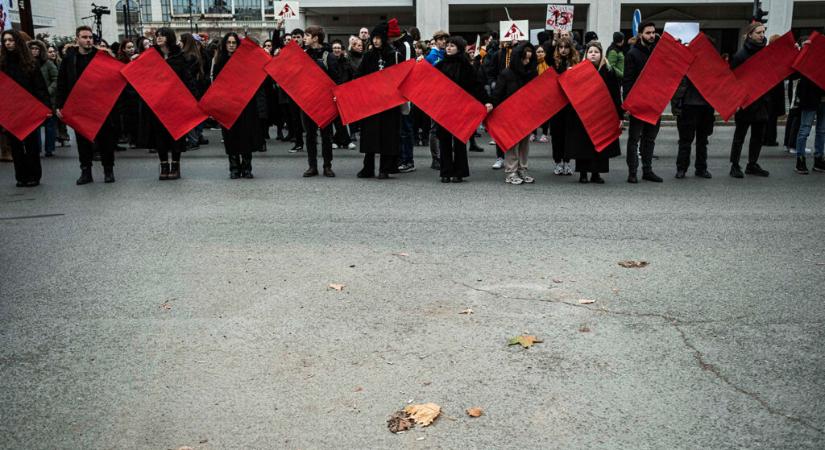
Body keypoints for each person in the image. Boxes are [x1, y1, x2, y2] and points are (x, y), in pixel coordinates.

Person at [56, 25, 118, 184]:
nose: (88, 40)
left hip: (100, 105)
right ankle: (86, 172)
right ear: (77, 39)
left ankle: (108, 171)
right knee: (83, 141)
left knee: (105, 140)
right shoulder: (69, 59)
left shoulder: (101, 57)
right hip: (79, 106)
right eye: (84, 37)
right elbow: (61, 83)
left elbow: (113, 80)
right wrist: (59, 105)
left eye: (90, 37)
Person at [434, 36, 493, 183]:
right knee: (444, 140)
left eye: (452, 46)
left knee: (460, 140)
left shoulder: (467, 66)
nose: (448, 48)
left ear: (459, 48)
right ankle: (445, 172)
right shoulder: (439, 65)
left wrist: (486, 100)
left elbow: (476, 85)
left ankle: (459, 172)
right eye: (447, 45)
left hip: (460, 108)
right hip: (444, 107)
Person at [565, 40, 622, 184]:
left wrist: (619, 115)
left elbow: (615, 95)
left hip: (603, 115)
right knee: (583, 145)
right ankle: (583, 173)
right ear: (586, 54)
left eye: (596, 52)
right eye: (590, 52)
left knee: (601, 144)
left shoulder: (609, 72)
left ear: (601, 54)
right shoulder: (579, 71)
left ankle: (596, 174)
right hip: (584, 115)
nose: (593, 55)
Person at [0, 30, 49, 187]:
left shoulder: (30, 63)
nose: (8, 43)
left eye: (11, 40)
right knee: (15, 146)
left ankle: (34, 175)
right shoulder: (1, 64)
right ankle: (21, 176)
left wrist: (45, 107)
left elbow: (40, 87)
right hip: (11, 111)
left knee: (31, 144)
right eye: (5, 40)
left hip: (29, 109)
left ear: (18, 42)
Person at [212, 33, 263, 179]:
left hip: (245, 104)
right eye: (228, 42)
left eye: (234, 42)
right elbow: (216, 85)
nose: (231, 45)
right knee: (230, 137)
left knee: (246, 135)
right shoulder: (219, 62)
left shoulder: (245, 61)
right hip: (227, 105)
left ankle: (247, 168)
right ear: (224, 44)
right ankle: (234, 168)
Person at [150, 27, 197, 180]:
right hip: (157, 103)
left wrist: (192, 99)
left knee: (176, 135)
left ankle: (175, 165)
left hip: (175, 103)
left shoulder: (180, 57)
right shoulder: (151, 56)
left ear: (169, 37)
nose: (159, 38)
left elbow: (187, 79)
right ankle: (164, 165)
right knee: (160, 136)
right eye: (157, 35)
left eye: (162, 35)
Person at [356, 22, 401, 179]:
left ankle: (385, 169)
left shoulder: (394, 55)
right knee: (369, 136)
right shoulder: (368, 56)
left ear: (383, 38)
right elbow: (359, 76)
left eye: (378, 38)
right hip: (371, 102)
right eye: (373, 38)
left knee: (387, 136)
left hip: (389, 102)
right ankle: (368, 168)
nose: (375, 41)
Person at [728, 22, 770, 178]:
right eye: (758, 32)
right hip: (745, 102)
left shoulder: (766, 53)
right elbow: (733, 78)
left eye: (763, 32)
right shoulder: (741, 55)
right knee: (740, 136)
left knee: (758, 136)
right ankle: (734, 165)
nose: (761, 35)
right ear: (750, 34)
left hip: (762, 101)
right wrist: (736, 102)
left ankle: (752, 164)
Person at [623, 21, 663, 183]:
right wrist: (628, 104)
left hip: (655, 102)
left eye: (653, 32)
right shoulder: (632, 54)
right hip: (638, 104)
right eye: (648, 33)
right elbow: (628, 81)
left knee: (650, 139)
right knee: (634, 139)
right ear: (640, 34)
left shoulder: (658, 52)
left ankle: (647, 170)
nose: (652, 35)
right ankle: (632, 172)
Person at [492, 41, 537, 185]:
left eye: (530, 59)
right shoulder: (506, 73)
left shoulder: (532, 73)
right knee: (512, 142)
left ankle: (522, 169)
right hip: (510, 113)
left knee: (524, 143)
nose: (527, 61)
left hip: (526, 112)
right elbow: (498, 93)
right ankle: (511, 171)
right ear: (518, 57)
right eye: (524, 58)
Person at [299, 25, 339, 177]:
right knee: (309, 135)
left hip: (325, 103)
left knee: (326, 135)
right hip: (307, 102)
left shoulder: (329, 56)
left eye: (307, 35)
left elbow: (336, 80)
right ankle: (312, 166)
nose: (304, 38)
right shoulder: (302, 55)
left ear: (315, 38)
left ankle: (327, 166)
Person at [671, 77, 715, 179]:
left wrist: (675, 105)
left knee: (687, 141)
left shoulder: (688, 64)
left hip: (690, 105)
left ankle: (682, 168)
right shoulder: (709, 65)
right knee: (700, 141)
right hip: (701, 105)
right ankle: (700, 168)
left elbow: (680, 85)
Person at [390, 18, 417, 174]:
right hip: (397, 90)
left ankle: (408, 160)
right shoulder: (398, 45)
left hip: (404, 92)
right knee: (399, 127)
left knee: (405, 127)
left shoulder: (405, 45)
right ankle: (401, 158)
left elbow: (406, 68)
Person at [549, 37, 579, 176]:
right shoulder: (554, 63)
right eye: (560, 47)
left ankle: (567, 162)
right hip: (556, 104)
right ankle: (558, 162)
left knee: (569, 134)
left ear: (570, 48)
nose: (563, 50)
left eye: (566, 47)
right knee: (557, 134)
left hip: (571, 104)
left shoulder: (576, 62)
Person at [793, 51, 825, 174]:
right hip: (810, 98)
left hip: (822, 99)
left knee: (822, 131)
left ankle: (819, 159)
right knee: (805, 130)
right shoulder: (808, 57)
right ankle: (800, 160)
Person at [424, 30, 449, 170]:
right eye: (441, 39)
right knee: (434, 128)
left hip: (447, 95)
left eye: (445, 39)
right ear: (436, 41)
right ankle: (436, 158)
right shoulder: (432, 56)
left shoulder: (446, 54)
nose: (444, 42)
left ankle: (444, 155)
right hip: (435, 95)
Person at [28, 40, 58, 157]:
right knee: (34, 126)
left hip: (47, 99)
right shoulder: (26, 63)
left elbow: (56, 79)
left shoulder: (48, 63)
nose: (34, 51)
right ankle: (37, 149)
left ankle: (49, 149)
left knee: (50, 125)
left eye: (37, 49)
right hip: (32, 100)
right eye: (32, 48)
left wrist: (48, 91)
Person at [531, 43, 551, 143]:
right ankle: (533, 134)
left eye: (542, 52)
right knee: (534, 115)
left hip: (546, 92)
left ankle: (544, 134)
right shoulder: (532, 65)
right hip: (534, 93)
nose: (540, 54)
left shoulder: (548, 64)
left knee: (545, 114)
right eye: (538, 52)